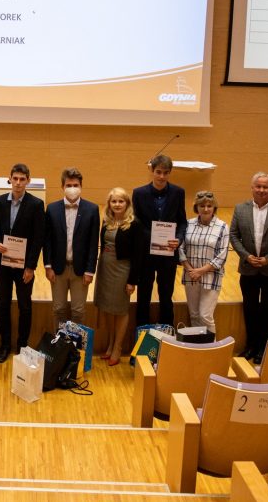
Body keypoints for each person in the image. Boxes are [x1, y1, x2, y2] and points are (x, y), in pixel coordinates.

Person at [229, 172, 268, 363]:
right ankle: (250, 346)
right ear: (252, 188)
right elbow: (233, 235)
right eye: (258, 186)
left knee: (267, 310)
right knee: (249, 309)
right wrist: (246, 256)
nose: (261, 190)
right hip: (248, 268)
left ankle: (262, 348)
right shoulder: (240, 209)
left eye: (265, 187)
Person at [0, 163, 45, 363]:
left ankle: (22, 345)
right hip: (3, 263)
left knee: (25, 306)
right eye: (15, 178)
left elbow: (38, 238)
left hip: (24, 267)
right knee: (3, 304)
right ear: (10, 179)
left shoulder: (36, 204)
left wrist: (31, 266)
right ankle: (5, 345)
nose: (18, 182)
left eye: (22, 179)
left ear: (28, 181)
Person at [132, 153, 187, 327]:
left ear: (170, 172)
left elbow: (182, 221)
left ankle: (167, 335)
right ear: (152, 170)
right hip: (146, 254)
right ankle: (141, 336)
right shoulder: (139, 193)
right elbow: (137, 222)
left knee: (166, 296)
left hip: (168, 254)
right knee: (143, 296)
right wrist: (152, 237)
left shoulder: (178, 192)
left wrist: (178, 239)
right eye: (158, 172)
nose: (162, 176)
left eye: (166, 172)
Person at [43, 167, 100, 329]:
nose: (72, 188)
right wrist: (48, 266)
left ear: (81, 186)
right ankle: (60, 342)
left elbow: (93, 243)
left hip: (80, 270)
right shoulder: (52, 209)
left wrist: (90, 271)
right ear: (63, 187)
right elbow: (47, 240)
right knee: (58, 309)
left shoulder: (92, 209)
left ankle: (76, 344)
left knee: (78, 311)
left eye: (76, 185)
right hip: (57, 269)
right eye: (69, 185)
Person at [96, 188, 145, 366]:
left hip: (122, 270)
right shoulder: (106, 221)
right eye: (114, 201)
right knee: (108, 308)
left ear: (127, 204)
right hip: (105, 267)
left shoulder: (135, 224)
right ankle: (110, 344)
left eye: (121, 201)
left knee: (120, 309)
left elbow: (138, 255)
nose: (117, 204)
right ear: (109, 204)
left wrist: (132, 281)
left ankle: (118, 347)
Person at [179, 191, 229, 336]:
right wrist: (190, 269)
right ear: (196, 207)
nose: (206, 209)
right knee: (194, 315)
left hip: (211, 277)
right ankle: (198, 345)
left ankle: (212, 347)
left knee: (205, 315)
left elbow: (222, 255)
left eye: (209, 206)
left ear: (214, 207)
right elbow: (181, 248)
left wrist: (200, 271)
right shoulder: (188, 224)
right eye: (202, 206)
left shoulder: (222, 227)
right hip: (191, 276)